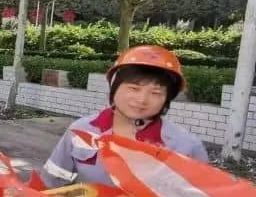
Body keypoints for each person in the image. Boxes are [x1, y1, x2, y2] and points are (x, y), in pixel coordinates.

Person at [42, 45, 208, 187]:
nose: (142, 100)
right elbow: (51, 183)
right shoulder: (81, 130)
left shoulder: (186, 146)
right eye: (134, 88)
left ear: (167, 99)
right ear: (114, 87)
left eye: (156, 93)